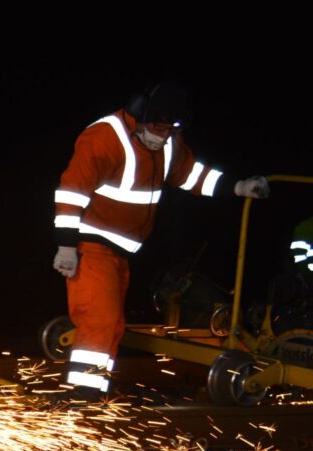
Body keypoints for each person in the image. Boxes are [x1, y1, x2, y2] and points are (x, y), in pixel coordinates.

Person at [51, 82, 270, 400]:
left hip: (120, 252)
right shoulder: (104, 137)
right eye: (158, 128)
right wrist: (66, 246)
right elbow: (72, 192)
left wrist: (237, 187)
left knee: (113, 326)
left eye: (170, 130)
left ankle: (92, 393)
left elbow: (191, 175)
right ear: (138, 116)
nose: (163, 136)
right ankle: (83, 394)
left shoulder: (168, 144)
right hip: (91, 246)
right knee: (100, 320)